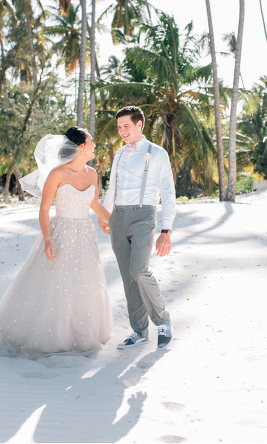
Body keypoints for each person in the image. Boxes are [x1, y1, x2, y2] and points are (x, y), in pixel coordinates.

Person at [0, 127, 112, 357]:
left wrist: (116, 221)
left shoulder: (93, 174)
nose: (94, 146)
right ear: (80, 147)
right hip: (61, 232)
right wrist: (47, 239)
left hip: (85, 233)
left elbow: (95, 205)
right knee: (56, 283)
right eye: (91, 142)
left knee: (83, 280)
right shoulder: (57, 174)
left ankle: (78, 331)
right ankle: (52, 334)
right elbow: (44, 209)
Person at [99, 106, 176, 350]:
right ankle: (139, 330)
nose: (122, 131)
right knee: (127, 276)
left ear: (139, 125)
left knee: (140, 270)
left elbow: (168, 192)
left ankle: (163, 321)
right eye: (119, 127)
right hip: (118, 216)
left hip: (144, 215)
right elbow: (113, 187)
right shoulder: (119, 154)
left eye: (126, 126)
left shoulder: (157, 153)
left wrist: (166, 231)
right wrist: (105, 214)